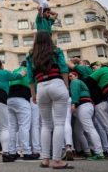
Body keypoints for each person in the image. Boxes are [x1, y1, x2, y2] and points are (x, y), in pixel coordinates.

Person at [26, 31, 73, 169]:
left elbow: (30, 78)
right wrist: (66, 86)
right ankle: (57, 160)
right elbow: (64, 69)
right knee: (59, 123)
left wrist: (33, 94)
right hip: (56, 83)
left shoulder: (30, 56)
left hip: (41, 87)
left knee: (46, 125)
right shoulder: (56, 51)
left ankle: (45, 159)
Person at [68, 71, 104, 160]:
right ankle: (87, 151)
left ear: (76, 75)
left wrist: (74, 103)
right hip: (86, 106)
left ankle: (99, 152)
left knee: (90, 129)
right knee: (78, 131)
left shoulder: (75, 82)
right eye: (69, 76)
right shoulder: (81, 82)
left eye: (71, 75)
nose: (70, 77)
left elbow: (75, 92)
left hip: (82, 106)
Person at [7, 61, 35, 160]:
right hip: (22, 99)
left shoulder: (15, 71)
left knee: (12, 127)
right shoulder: (29, 70)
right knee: (24, 126)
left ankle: (12, 152)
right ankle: (27, 152)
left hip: (9, 99)